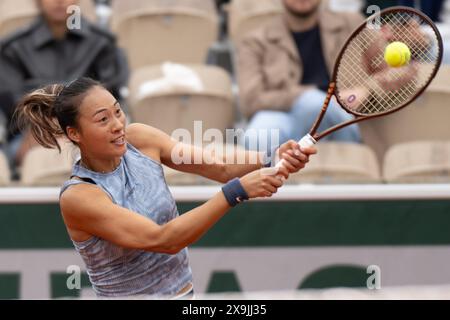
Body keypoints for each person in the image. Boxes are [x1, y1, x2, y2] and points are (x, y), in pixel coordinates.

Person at [14, 77, 316, 298]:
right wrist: (237, 192)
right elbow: (164, 239)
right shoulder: (79, 196)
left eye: (117, 112)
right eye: (102, 119)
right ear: (74, 133)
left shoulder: (140, 139)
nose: (117, 124)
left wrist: (270, 157)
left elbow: (218, 165)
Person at [0, 0, 128, 170]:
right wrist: (51, 126)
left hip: (91, 129)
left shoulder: (100, 43)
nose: (59, 1)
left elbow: (111, 93)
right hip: (32, 132)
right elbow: (14, 103)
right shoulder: (13, 47)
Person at [237, 0, 363, 153]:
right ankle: (270, 174)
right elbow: (250, 100)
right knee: (258, 136)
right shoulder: (255, 41)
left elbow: (395, 70)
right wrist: (306, 96)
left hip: (343, 115)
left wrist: (367, 89)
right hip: (283, 114)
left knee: (315, 105)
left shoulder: (352, 24)